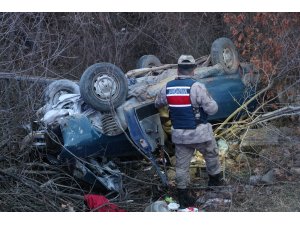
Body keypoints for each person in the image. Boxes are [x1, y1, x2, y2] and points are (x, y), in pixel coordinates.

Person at [154, 55, 224, 208]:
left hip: (180, 136)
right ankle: (215, 182)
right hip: (199, 134)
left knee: (181, 167)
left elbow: (157, 103)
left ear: (178, 69)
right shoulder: (197, 86)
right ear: (193, 70)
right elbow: (212, 110)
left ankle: (183, 196)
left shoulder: (167, 87)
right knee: (211, 154)